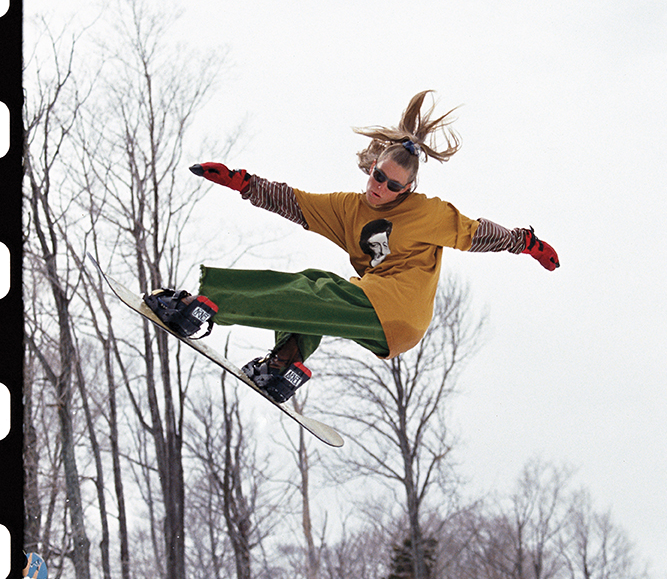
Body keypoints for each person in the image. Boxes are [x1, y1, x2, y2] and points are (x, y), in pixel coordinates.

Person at [144, 92, 559, 403]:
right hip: (385, 318)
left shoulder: (428, 213)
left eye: (394, 186)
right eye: (379, 177)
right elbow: (295, 202)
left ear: (409, 188)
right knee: (315, 286)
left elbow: (477, 233)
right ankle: (284, 363)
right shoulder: (347, 208)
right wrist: (244, 182)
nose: (381, 189)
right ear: (373, 166)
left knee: (315, 293)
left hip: (400, 304)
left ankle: (203, 304)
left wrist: (525, 243)